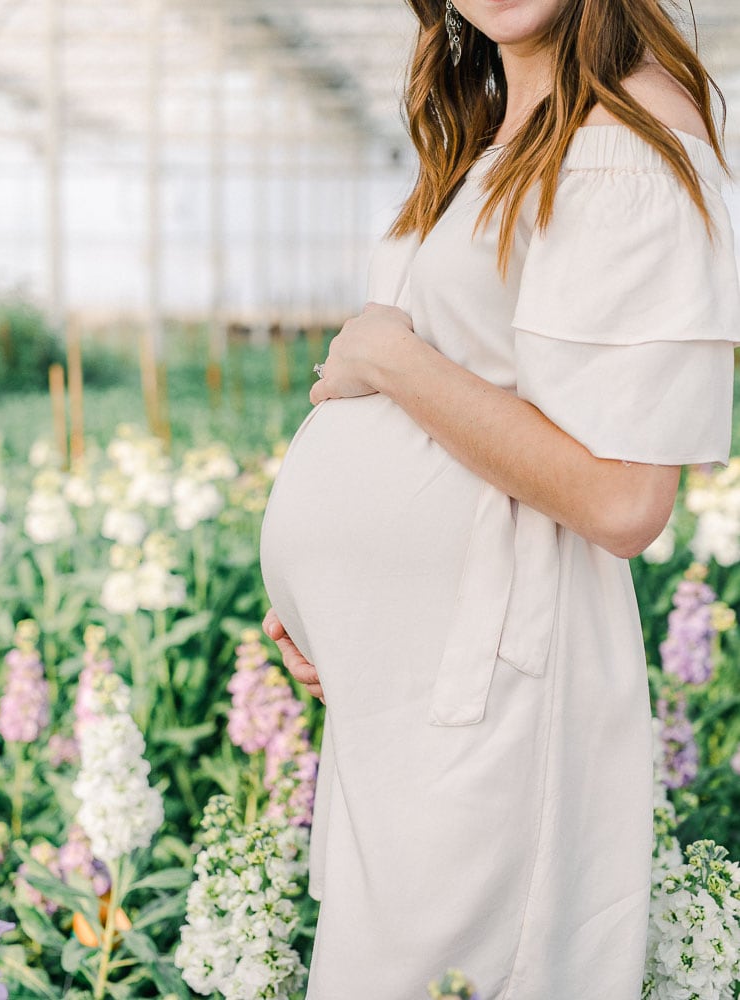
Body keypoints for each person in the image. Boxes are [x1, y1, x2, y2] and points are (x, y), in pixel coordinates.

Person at [260, 0, 740, 997]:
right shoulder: (497, 122)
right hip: (407, 690)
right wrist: (338, 606)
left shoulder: (629, 137)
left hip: (494, 698)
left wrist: (393, 360)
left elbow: (623, 499)